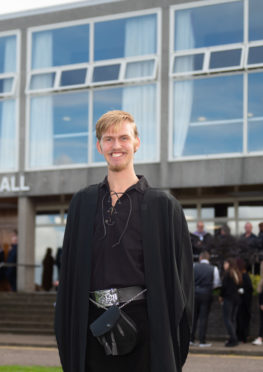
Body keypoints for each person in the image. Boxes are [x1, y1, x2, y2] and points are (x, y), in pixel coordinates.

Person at [54, 110, 193, 372]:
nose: (116, 146)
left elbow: (182, 281)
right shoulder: (82, 204)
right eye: (108, 139)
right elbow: (70, 271)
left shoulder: (163, 206)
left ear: (136, 143)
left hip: (146, 325)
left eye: (123, 138)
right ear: (99, 146)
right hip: (92, 325)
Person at [191, 251, 221, 347]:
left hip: (194, 293)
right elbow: (217, 283)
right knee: (203, 318)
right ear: (208, 258)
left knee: (193, 318)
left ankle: (191, 339)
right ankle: (202, 341)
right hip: (206, 294)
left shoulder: (194, 266)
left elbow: (189, 279)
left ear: (200, 258)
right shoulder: (214, 269)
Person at [219, 258, 242, 347]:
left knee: (227, 319)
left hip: (228, 299)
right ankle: (233, 338)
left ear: (229, 264)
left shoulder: (227, 274)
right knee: (232, 320)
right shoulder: (236, 273)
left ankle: (233, 339)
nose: (224, 265)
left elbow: (224, 287)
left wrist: (221, 296)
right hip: (236, 299)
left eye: (225, 263)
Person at [236, 258, 253, 344]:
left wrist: (241, 291)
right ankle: (241, 337)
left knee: (241, 320)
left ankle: (242, 337)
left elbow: (249, 289)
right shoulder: (244, 275)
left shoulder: (244, 276)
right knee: (240, 320)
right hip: (243, 302)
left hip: (243, 303)